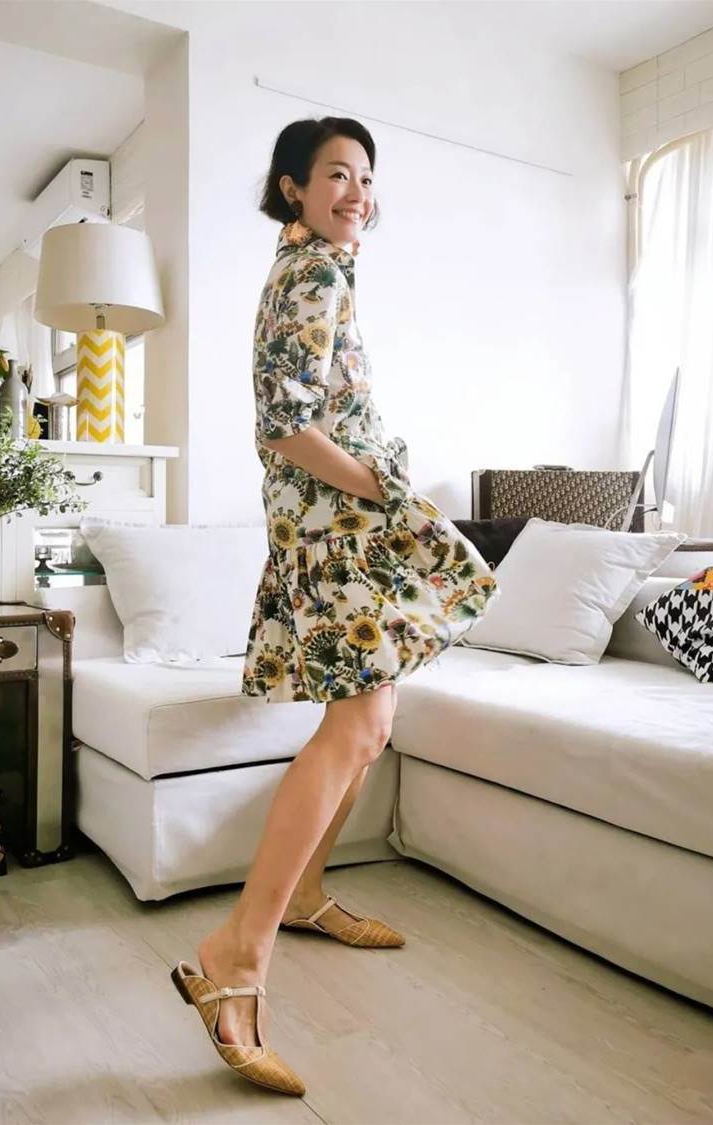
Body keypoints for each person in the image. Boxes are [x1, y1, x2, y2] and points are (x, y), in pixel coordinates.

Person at [172, 117, 499, 1096]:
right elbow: (284, 427)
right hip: (335, 527)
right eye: (336, 175)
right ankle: (234, 958)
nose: (357, 192)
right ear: (293, 187)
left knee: (373, 721)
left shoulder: (317, 268)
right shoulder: (312, 272)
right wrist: (383, 490)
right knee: (355, 728)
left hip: (335, 521)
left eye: (365, 176)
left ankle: (307, 893)